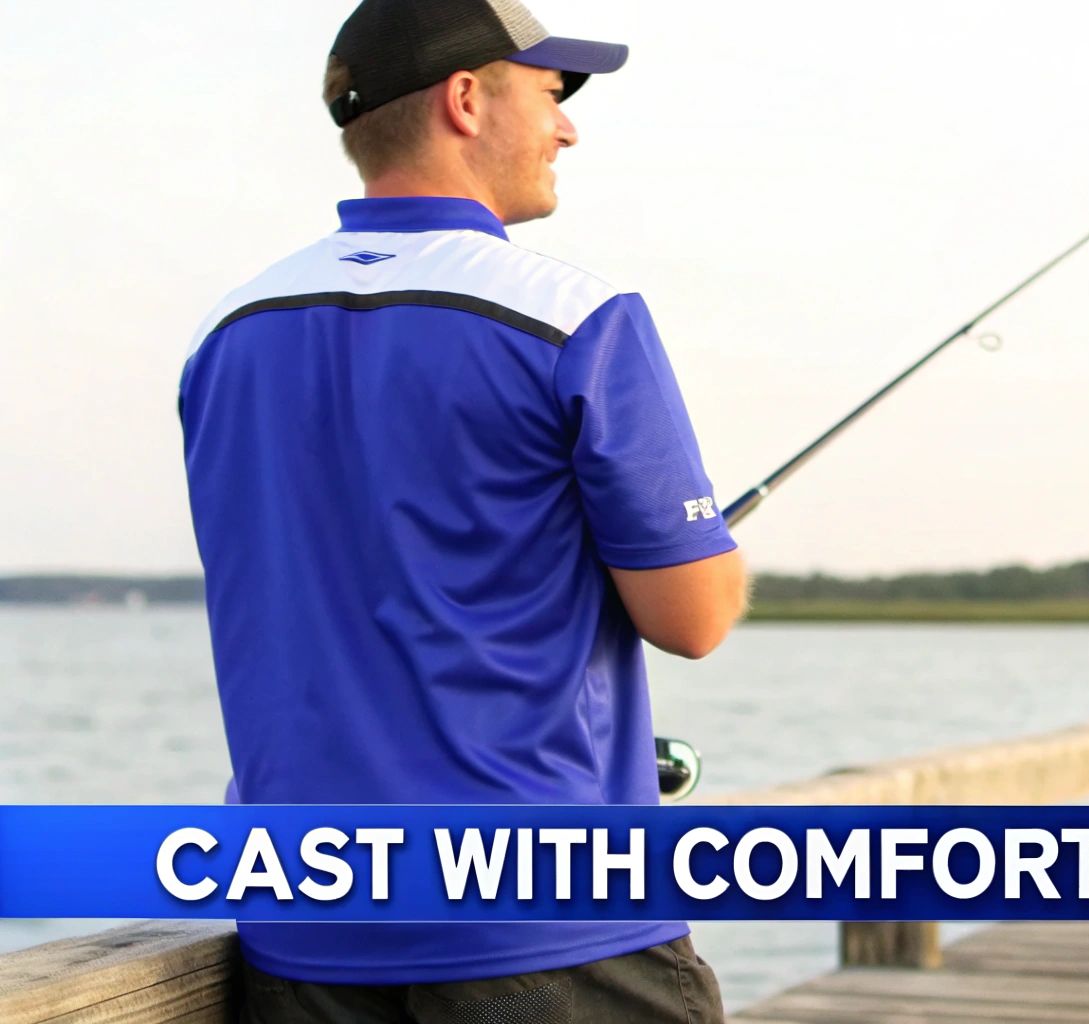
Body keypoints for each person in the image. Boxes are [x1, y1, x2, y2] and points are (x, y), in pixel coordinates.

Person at [177, 0, 747, 1019]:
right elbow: (691, 618)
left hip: (305, 928)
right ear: (466, 99)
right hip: (544, 924)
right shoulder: (577, 318)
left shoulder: (227, 335)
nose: (567, 125)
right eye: (550, 93)